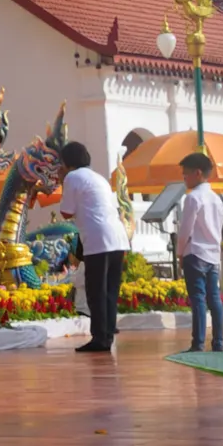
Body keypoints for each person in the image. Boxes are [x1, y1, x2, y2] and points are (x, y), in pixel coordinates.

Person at [56, 141, 131, 353]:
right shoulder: (98, 177)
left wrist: (63, 181)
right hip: (118, 237)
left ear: (66, 162)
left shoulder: (72, 177)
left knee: (96, 290)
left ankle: (100, 338)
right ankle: (107, 333)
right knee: (109, 290)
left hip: (98, 239)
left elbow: (66, 212)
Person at [171, 150, 223, 352]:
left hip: (194, 252)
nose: (184, 177)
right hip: (212, 254)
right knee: (214, 299)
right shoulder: (216, 199)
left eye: (185, 173)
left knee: (198, 299)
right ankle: (219, 343)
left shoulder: (193, 198)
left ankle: (198, 343)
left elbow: (185, 229)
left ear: (197, 173)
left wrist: (180, 251)